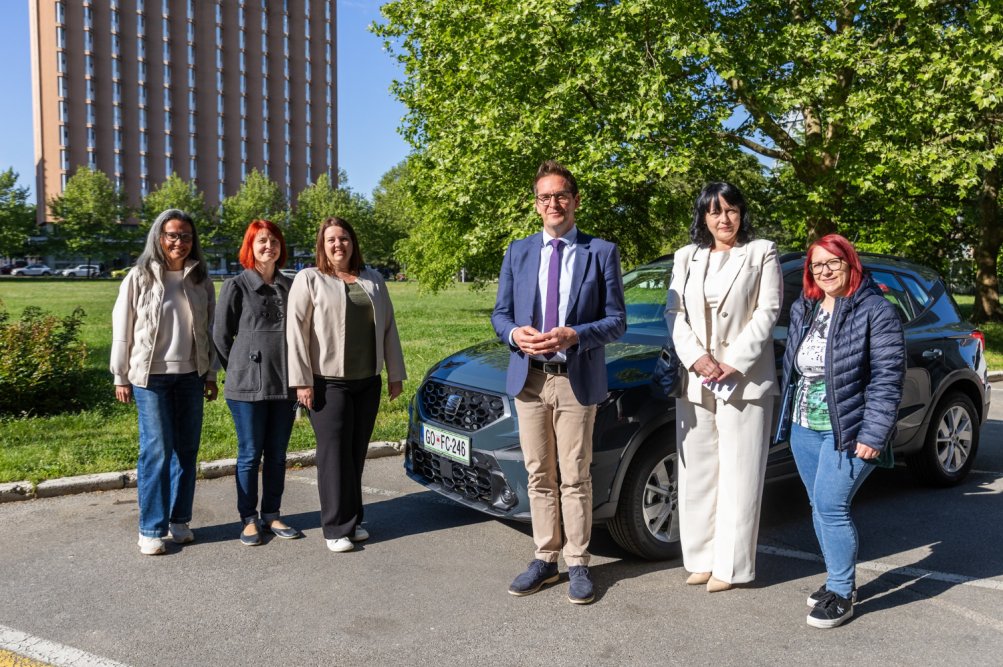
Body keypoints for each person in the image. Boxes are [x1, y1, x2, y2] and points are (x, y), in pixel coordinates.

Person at [491, 160, 626, 604]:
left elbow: (617, 320)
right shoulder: (519, 251)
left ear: (575, 201)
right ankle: (545, 558)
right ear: (536, 205)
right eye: (545, 197)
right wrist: (514, 334)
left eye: (561, 196)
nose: (554, 204)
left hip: (574, 379)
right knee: (538, 474)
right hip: (529, 379)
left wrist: (576, 335)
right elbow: (500, 314)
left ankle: (579, 562)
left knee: (575, 475)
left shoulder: (600, 252)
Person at [779, 234, 905, 628]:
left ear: (851, 264)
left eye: (833, 262)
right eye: (817, 264)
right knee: (818, 505)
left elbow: (888, 377)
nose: (826, 270)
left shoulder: (876, 310)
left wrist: (873, 433)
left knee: (832, 506)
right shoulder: (806, 307)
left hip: (849, 427)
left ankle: (841, 592)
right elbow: (795, 368)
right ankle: (837, 578)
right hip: (804, 424)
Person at [664, 182, 781, 592]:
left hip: (744, 380)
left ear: (741, 213)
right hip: (697, 379)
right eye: (715, 211)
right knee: (697, 473)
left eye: (731, 209)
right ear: (703, 217)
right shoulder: (686, 256)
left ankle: (731, 568)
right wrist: (696, 357)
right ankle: (700, 559)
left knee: (740, 475)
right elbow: (674, 313)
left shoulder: (761, 252)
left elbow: (768, 311)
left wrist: (734, 361)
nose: (724, 218)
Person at [286, 217, 406, 553]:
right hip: (327, 383)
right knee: (334, 455)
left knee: (355, 453)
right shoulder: (309, 279)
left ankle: (353, 521)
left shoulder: (373, 279)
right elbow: (296, 332)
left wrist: (395, 373)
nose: (338, 245)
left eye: (344, 238)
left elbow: (388, 328)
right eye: (331, 240)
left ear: (353, 243)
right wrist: (301, 381)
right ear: (322, 246)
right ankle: (335, 527)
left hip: (367, 381)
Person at [111, 209, 218, 556]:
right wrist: (120, 375)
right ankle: (151, 529)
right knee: (157, 450)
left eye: (186, 236)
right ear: (159, 237)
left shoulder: (201, 280)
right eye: (172, 235)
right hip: (150, 378)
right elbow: (123, 328)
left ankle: (179, 520)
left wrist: (210, 374)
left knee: (186, 451)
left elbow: (209, 331)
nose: (179, 242)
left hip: (190, 376)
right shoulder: (140, 277)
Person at [214, 220, 300, 546]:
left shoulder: (291, 286)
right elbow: (221, 337)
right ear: (250, 246)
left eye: (274, 241)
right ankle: (248, 518)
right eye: (262, 241)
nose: (269, 247)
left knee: (277, 454)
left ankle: (272, 514)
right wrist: (240, 368)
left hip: (284, 383)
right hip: (247, 386)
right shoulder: (236, 285)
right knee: (250, 454)